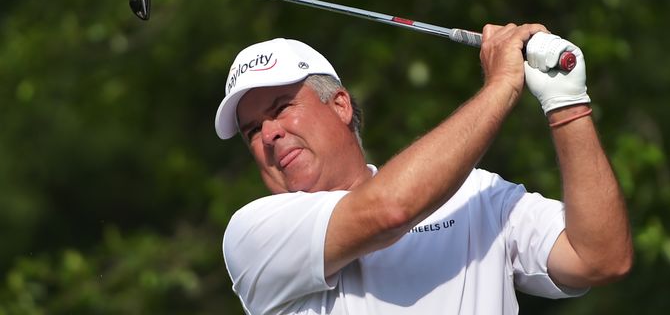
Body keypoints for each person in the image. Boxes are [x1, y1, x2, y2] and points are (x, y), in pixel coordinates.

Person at [215, 23, 633, 315]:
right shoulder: (253, 234)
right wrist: (502, 85)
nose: (268, 134)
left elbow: (601, 258)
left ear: (340, 104)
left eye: (282, 108)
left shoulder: (476, 195)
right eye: (252, 130)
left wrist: (567, 105)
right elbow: (390, 210)